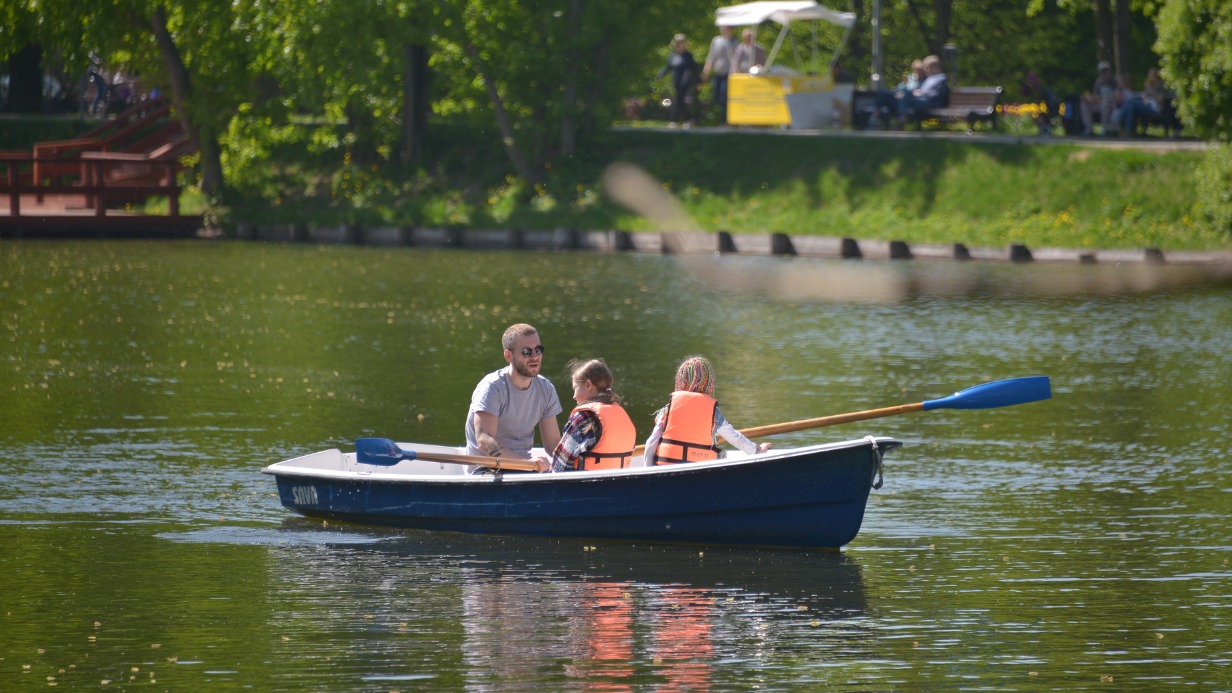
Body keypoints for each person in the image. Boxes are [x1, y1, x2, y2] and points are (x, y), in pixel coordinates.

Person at [464, 323, 563, 472]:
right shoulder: (492, 388)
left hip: (525, 469)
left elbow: (553, 443)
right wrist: (525, 463)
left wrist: (575, 462)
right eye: (526, 352)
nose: (535, 357)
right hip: (487, 469)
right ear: (508, 356)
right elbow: (485, 441)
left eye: (538, 350)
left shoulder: (546, 389)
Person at [642, 356, 771, 465]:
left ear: (681, 380)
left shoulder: (669, 409)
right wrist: (757, 451)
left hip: (667, 468)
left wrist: (649, 471)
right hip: (699, 469)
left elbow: (651, 442)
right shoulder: (713, 412)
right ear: (709, 382)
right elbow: (734, 438)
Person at [547, 358, 637, 472]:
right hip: (618, 483)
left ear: (588, 385)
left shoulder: (584, 417)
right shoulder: (622, 415)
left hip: (585, 483)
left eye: (575, 388)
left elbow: (559, 464)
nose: (574, 396)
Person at [660, 34, 699, 128]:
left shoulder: (688, 56)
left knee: (679, 100)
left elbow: (695, 69)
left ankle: (674, 120)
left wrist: (698, 81)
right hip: (676, 82)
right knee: (679, 100)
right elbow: (668, 66)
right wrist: (661, 74)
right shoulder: (673, 55)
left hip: (685, 82)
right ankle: (688, 119)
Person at [701, 25, 739, 123]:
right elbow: (711, 56)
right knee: (716, 96)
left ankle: (725, 120)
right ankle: (722, 117)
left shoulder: (735, 42)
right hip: (718, 72)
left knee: (724, 95)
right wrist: (706, 71)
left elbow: (736, 59)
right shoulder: (716, 40)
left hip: (729, 73)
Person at [1079, 61, 1118, 136]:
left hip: (1111, 105)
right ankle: (1089, 128)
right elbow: (1096, 95)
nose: (1104, 74)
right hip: (1100, 104)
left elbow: (1116, 97)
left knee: (1105, 105)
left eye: (1106, 72)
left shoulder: (1114, 82)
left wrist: (1103, 99)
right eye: (1102, 72)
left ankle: (1105, 129)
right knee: (1084, 104)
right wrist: (1089, 98)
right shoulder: (1098, 82)